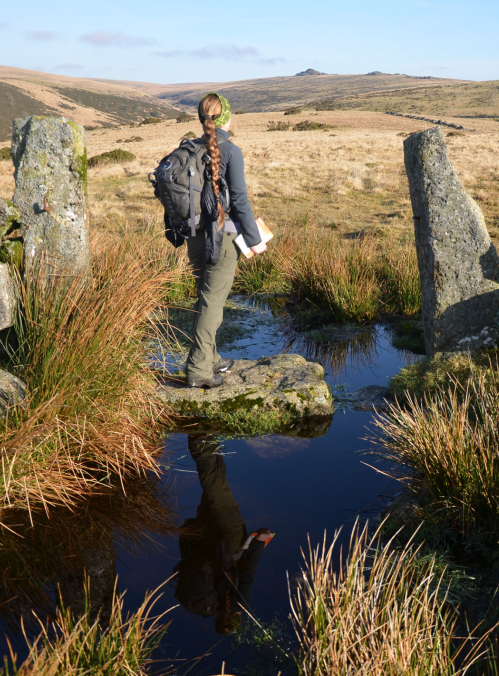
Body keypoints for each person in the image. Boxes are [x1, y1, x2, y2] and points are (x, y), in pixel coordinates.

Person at [185, 93, 264, 389]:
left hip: (194, 234)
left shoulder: (190, 148)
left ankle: (211, 356)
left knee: (205, 297)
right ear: (226, 118)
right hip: (223, 236)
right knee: (212, 301)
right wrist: (254, 239)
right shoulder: (232, 150)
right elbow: (240, 200)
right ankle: (199, 370)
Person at [173, 434, 273, 635]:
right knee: (214, 488)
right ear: (218, 620)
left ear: (238, 620)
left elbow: (248, 573)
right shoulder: (207, 603)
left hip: (231, 543)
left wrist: (259, 543)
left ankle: (199, 439)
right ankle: (208, 438)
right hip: (204, 542)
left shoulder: (241, 605)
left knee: (216, 489)